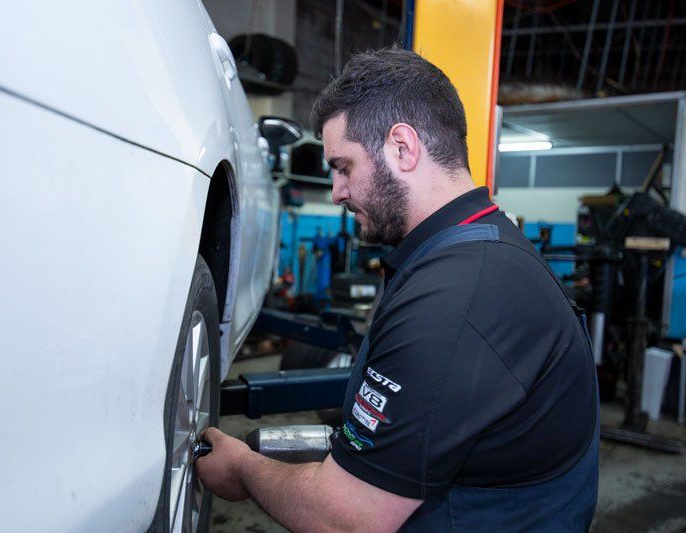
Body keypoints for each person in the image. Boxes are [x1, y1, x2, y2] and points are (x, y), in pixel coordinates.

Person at [197, 48, 598, 531]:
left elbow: (344, 519)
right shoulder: (478, 250)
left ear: (402, 148)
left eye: (343, 167)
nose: (338, 192)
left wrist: (243, 469)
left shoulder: (456, 300)